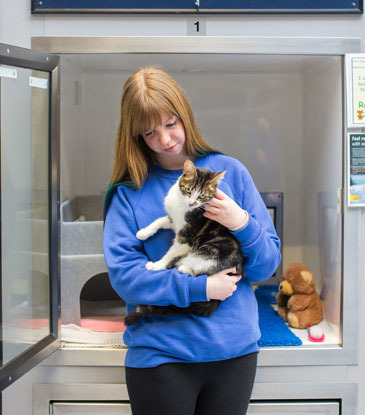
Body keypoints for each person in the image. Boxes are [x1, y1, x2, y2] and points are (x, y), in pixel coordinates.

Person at [103, 66, 281, 415]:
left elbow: (267, 265)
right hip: (161, 357)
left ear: (185, 116)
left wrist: (240, 222)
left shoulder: (229, 172)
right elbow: (126, 278)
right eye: (150, 133)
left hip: (234, 353)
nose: (166, 140)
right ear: (135, 136)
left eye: (171, 124)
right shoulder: (128, 193)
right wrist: (199, 289)